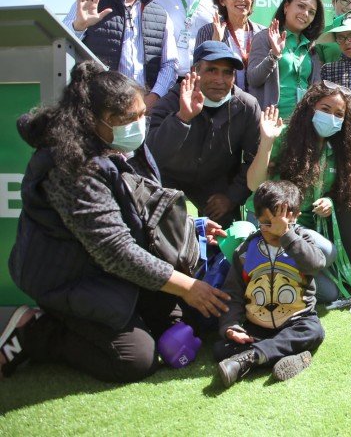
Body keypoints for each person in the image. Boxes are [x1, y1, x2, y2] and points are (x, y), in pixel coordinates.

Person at [2, 61, 229, 382]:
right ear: (95, 122)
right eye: (128, 119)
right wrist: (188, 286)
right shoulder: (72, 167)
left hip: (106, 272)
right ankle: (35, 332)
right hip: (69, 279)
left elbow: (142, 207)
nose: (139, 125)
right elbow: (114, 250)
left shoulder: (117, 146)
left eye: (142, 116)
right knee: (136, 358)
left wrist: (195, 228)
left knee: (180, 320)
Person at [246, 83, 351, 305]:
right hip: (267, 221)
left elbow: (336, 191)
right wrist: (267, 143)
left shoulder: (339, 151)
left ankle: (275, 273)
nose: (332, 117)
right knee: (323, 256)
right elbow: (254, 185)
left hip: (299, 228)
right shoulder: (284, 136)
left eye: (339, 114)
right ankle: (266, 270)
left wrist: (329, 201)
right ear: (311, 107)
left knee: (329, 291)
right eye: (326, 109)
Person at [214, 180, 327, 388]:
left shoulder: (302, 241)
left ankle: (252, 358)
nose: (274, 231)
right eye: (267, 223)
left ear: (296, 217)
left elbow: (315, 264)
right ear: (256, 218)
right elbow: (233, 293)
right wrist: (231, 326)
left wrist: (288, 236)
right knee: (221, 348)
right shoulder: (245, 252)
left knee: (314, 332)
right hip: (257, 326)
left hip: (296, 321)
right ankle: (290, 356)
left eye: (282, 224)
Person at [147, 41, 261, 228]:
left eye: (228, 72)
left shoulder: (247, 106)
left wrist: (231, 197)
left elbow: (253, 159)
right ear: (195, 71)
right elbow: (152, 156)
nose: (220, 79)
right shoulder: (171, 102)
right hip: (170, 187)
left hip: (218, 191)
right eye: (212, 70)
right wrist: (181, 118)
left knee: (227, 242)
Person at [64, 0, 178, 109]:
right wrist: (78, 27)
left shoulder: (161, 14)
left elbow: (170, 64)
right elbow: (60, 44)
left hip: (143, 113)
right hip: (98, 111)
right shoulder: (90, 4)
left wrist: (152, 99)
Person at [246, 0, 325, 117]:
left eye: (311, 12)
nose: (305, 14)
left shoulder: (311, 47)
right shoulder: (264, 38)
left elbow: (315, 88)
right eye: (301, 6)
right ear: (286, 6)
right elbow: (253, 79)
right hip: (270, 120)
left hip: (301, 123)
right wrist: (274, 55)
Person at [195, 0, 266, 91]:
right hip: (224, 104)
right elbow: (199, 74)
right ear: (222, 0)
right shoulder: (208, 31)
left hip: (258, 106)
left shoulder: (264, 33)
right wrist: (215, 43)